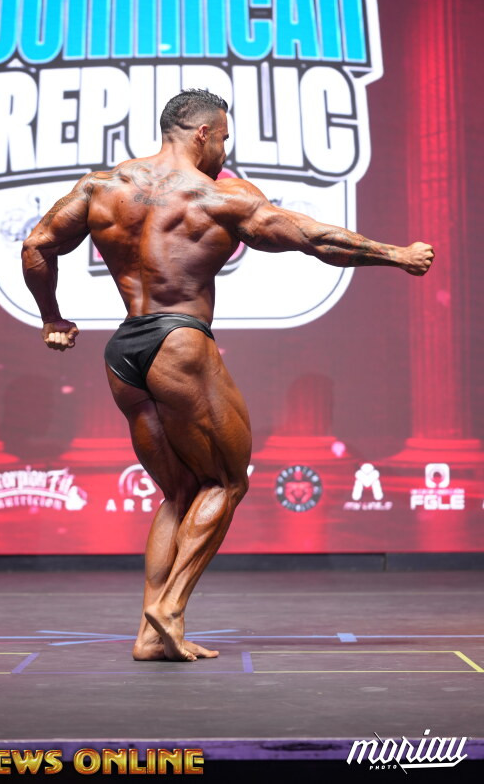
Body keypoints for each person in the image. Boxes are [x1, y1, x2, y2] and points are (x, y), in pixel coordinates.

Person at [22, 89, 434, 662]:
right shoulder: (217, 197)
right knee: (226, 482)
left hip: (124, 353)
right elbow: (316, 239)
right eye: (223, 138)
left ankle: (149, 637)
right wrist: (397, 255)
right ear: (202, 134)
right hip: (179, 343)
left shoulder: (101, 187)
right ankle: (169, 608)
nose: (225, 150)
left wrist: (51, 318)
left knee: (179, 493)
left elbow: (38, 245)